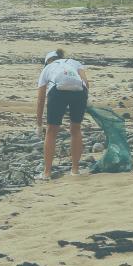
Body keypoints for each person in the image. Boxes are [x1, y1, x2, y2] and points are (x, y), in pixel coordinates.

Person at [35, 49, 90, 179]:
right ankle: (75, 170)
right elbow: (86, 83)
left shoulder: (47, 68)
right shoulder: (74, 63)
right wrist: (85, 99)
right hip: (79, 91)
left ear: (48, 61)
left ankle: (47, 173)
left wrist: (39, 124)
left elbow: (40, 99)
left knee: (51, 131)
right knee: (76, 129)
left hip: (58, 91)